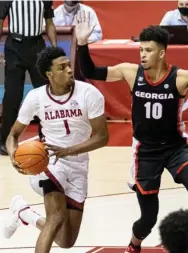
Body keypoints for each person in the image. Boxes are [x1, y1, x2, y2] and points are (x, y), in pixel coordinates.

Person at [75, 10, 188, 253]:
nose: (143, 55)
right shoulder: (130, 72)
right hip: (145, 152)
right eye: (141, 50)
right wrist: (82, 44)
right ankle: (134, 245)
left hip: (176, 148)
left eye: (148, 51)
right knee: (148, 218)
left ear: (161, 53)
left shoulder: (180, 78)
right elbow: (90, 73)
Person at [2, 46, 109, 253]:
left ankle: (24, 213)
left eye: (68, 65)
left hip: (77, 164)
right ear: (49, 74)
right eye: (62, 67)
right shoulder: (36, 97)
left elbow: (102, 137)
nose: (69, 70)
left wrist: (69, 151)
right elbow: (13, 135)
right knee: (56, 216)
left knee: (66, 241)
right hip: (48, 161)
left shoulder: (89, 93)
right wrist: (14, 155)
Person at [0, 0, 57, 155]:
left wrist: (54, 47)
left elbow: (49, 23)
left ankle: (46, 137)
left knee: (44, 93)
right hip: (14, 46)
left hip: (37, 45)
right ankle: (5, 139)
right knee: (12, 94)